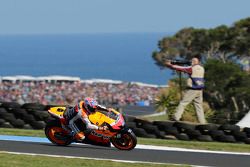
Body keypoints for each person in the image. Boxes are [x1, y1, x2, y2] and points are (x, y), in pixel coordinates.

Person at [165, 54, 206, 124]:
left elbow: (180, 68)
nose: (192, 61)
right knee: (199, 106)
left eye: (194, 60)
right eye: (192, 60)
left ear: (198, 61)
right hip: (200, 89)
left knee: (183, 103)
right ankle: (202, 122)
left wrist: (170, 65)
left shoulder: (192, 68)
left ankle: (176, 117)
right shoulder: (202, 68)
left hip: (193, 89)